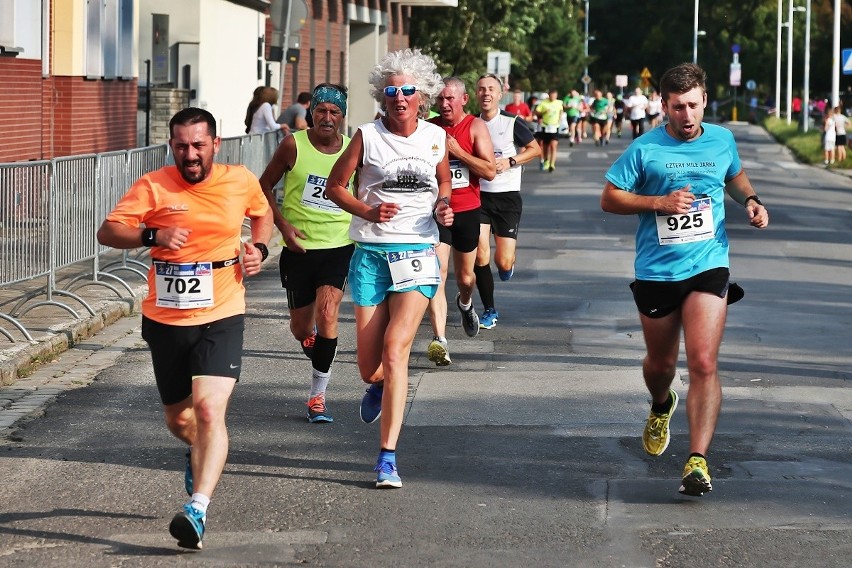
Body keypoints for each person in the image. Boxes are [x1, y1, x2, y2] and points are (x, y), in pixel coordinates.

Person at [97, 107, 273, 548]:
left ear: (215, 144)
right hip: (166, 318)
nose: (189, 154)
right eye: (181, 145)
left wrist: (261, 248)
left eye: (198, 145)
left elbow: (262, 213)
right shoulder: (153, 185)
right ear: (171, 146)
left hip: (223, 309)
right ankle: (199, 450)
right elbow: (109, 230)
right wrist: (151, 237)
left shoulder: (239, 179)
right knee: (181, 420)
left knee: (210, 409)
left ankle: (197, 508)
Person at [600, 63, 769, 497]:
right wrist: (657, 201)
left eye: (693, 105)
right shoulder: (644, 148)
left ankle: (697, 460)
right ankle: (661, 403)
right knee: (660, 366)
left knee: (704, 362)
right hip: (657, 269)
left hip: (709, 262)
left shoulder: (722, 139)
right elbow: (610, 198)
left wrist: (750, 199)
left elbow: (733, 174)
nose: (687, 115)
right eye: (678, 107)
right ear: (664, 105)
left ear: (705, 102)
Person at [325, 48, 453, 488]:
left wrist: (444, 206)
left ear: (422, 96)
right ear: (384, 95)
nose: (400, 97)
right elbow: (334, 188)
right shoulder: (366, 135)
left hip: (417, 251)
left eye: (408, 90)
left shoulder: (436, 137)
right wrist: (367, 209)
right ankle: (377, 386)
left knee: (397, 348)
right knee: (369, 366)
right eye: (392, 90)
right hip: (372, 256)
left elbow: (444, 184)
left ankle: (387, 457)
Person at [258, 83, 353, 423]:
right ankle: (311, 339)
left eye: (334, 112)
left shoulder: (353, 149)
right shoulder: (292, 145)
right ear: (311, 112)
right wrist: (281, 226)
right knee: (301, 329)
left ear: (342, 116)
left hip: (339, 246)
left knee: (328, 314)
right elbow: (264, 185)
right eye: (321, 110)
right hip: (298, 248)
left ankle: (317, 397)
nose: (327, 118)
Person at [424, 77, 496, 365]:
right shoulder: (429, 128)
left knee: (466, 278)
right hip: (438, 210)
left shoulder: (475, 127)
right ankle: (439, 339)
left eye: (450, 99)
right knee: (437, 273)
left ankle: (465, 303)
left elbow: (489, 171)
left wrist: (458, 152)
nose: (444, 105)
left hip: (468, 211)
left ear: (464, 100)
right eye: (440, 99)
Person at [474, 73, 541, 329]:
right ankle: (489, 309)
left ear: (500, 95)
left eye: (491, 89)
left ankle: (507, 264)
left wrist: (511, 161)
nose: (486, 93)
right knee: (481, 254)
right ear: (476, 95)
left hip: (507, 197)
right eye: (481, 89)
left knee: (502, 261)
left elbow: (535, 150)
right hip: (479, 196)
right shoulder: (471, 123)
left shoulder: (512, 122)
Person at [536, 89, 562, 172]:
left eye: (555, 95)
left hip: (555, 127)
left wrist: (560, 119)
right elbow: (537, 112)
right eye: (552, 95)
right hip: (545, 126)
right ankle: (546, 160)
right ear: (549, 95)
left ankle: (552, 164)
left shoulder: (559, 102)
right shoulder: (543, 103)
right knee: (546, 146)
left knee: (553, 145)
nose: (553, 97)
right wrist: (544, 112)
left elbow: (561, 110)